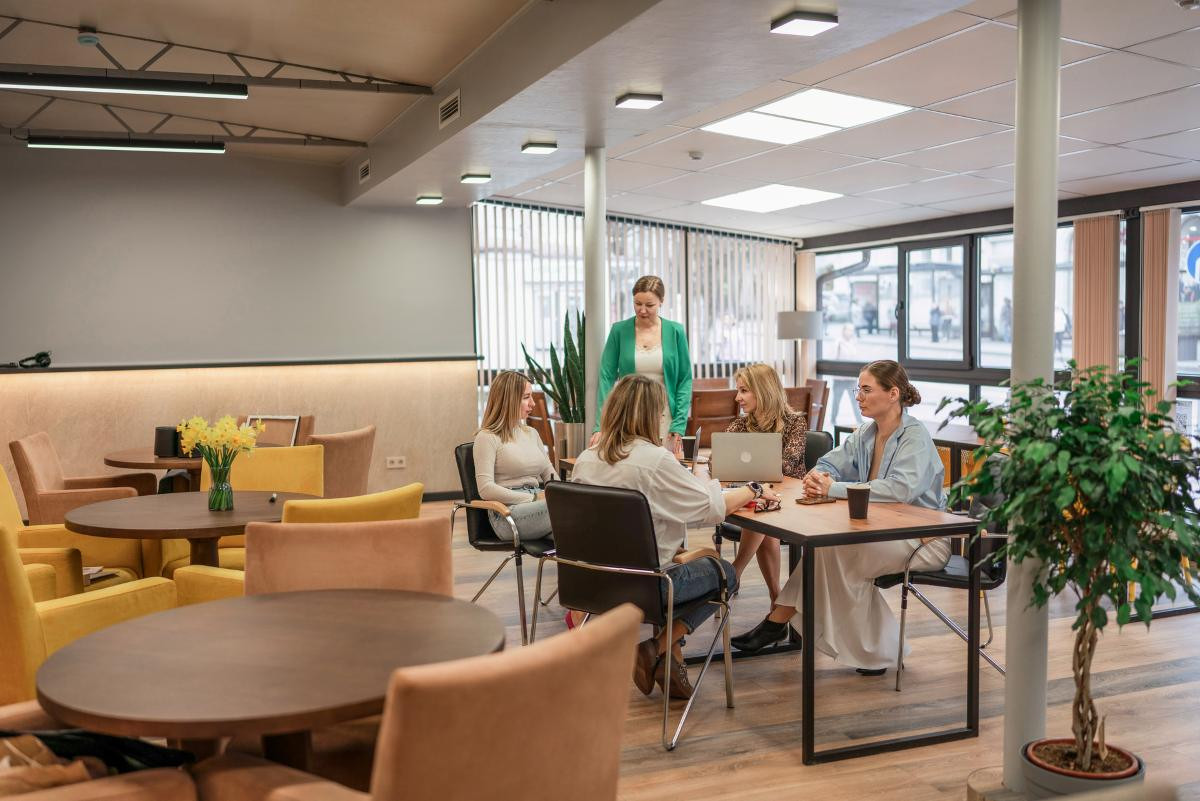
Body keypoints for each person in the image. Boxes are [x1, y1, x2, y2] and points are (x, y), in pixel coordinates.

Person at [730, 360, 949, 676]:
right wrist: (818, 476)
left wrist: (835, 488)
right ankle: (865, 650)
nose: (858, 396)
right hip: (882, 532)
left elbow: (899, 490)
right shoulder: (865, 433)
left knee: (836, 552)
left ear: (893, 394)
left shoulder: (914, 437)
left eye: (866, 389)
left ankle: (781, 621)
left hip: (923, 539)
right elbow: (829, 463)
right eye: (857, 388)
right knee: (830, 551)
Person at [571, 375, 779, 699]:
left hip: (593, 581)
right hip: (650, 584)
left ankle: (669, 655)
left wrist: (674, 465)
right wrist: (753, 488)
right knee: (725, 574)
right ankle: (658, 646)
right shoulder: (654, 461)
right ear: (653, 414)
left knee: (680, 556)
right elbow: (710, 507)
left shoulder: (587, 459)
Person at [724, 363, 807, 606]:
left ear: (763, 390)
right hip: (759, 498)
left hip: (791, 500)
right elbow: (717, 462)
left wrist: (746, 473)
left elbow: (787, 465)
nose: (737, 397)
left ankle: (735, 572)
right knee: (763, 514)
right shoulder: (741, 424)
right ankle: (776, 598)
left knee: (763, 511)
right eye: (738, 390)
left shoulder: (794, 423)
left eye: (744, 391)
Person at [592, 275, 692, 455]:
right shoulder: (619, 330)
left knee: (663, 469)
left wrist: (679, 423)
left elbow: (684, 380)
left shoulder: (676, 331)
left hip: (664, 417)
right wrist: (600, 425)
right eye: (637, 303)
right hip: (629, 415)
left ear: (661, 301)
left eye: (649, 305)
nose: (642, 310)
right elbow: (606, 378)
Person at [472, 371, 557, 541]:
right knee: (567, 511)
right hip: (507, 514)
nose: (532, 403)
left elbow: (551, 476)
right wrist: (532, 498)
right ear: (509, 399)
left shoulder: (532, 433)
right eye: (526, 397)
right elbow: (485, 489)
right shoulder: (486, 437)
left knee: (577, 527)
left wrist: (566, 495)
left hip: (539, 507)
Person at [829, 324, 863, 424]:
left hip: (851, 378)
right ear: (843, 331)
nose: (850, 332)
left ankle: (859, 420)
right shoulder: (838, 342)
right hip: (839, 379)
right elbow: (833, 358)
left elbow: (856, 358)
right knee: (836, 401)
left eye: (851, 330)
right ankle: (833, 419)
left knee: (856, 400)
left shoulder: (853, 342)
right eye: (848, 330)